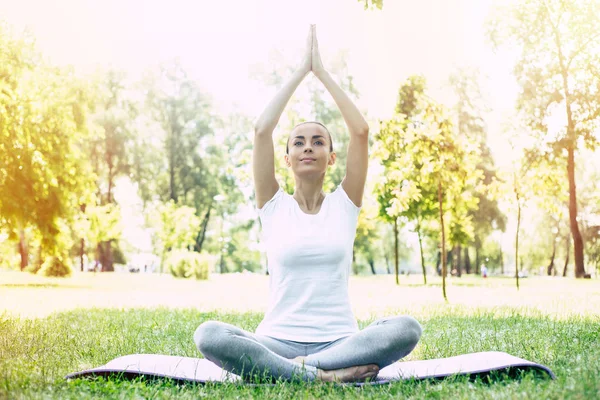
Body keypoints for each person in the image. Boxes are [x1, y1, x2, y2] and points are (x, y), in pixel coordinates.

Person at [194, 25, 422, 383]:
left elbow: (360, 131)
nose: (308, 147)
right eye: (298, 142)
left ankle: (290, 374)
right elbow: (261, 131)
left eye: (318, 142)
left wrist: (323, 73)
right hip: (275, 341)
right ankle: (323, 377)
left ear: (331, 158)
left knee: (407, 328)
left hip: (341, 341)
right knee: (209, 334)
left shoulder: (345, 204)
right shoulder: (272, 204)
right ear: (287, 159)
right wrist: (301, 71)